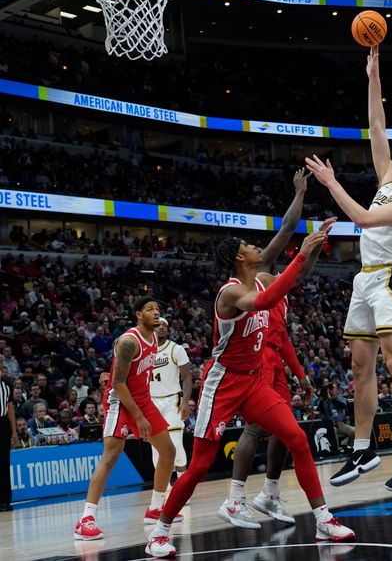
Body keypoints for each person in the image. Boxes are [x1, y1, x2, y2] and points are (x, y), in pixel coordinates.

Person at [144, 224, 353, 559]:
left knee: (296, 438)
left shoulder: (261, 280)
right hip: (223, 383)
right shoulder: (229, 293)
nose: (259, 248)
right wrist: (301, 252)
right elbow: (267, 300)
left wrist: (313, 247)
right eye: (250, 245)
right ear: (240, 257)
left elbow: (292, 281)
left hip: (253, 380)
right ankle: (160, 531)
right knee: (199, 466)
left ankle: (322, 519)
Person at [305, 45, 392, 492]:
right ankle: (364, 449)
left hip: (391, 278)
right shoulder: (385, 182)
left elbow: (362, 219)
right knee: (360, 368)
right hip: (364, 278)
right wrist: (373, 74)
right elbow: (377, 125)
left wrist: (333, 182)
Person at [220, 170, 324, 528]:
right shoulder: (258, 280)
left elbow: (302, 271)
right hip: (254, 362)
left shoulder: (281, 290)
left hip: (276, 360)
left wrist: (315, 245)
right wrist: (299, 194)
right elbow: (284, 231)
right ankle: (235, 497)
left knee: (286, 431)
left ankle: (270, 492)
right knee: (254, 430)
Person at [74, 296, 179, 541]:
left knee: (168, 451)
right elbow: (118, 383)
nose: (156, 313)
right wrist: (139, 417)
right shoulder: (129, 342)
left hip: (142, 399)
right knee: (111, 456)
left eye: (158, 309)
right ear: (137, 315)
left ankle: (154, 508)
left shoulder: (154, 338)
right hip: (120, 402)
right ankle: (85, 519)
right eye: (150, 309)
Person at [150, 317, 193, 480]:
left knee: (175, 443)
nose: (161, 328)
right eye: (158, 325)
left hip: (172, 401)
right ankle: (164, 487)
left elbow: (187, 377)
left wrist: (185, 402)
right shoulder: (144, 351)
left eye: (164, 326)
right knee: (156, 448)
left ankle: (182, 484)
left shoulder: (175, 349)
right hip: (151, 403)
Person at [1, 378, 14, 511]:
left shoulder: (6, 385)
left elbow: (10, 408)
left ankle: (6, 500)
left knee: (4, 463)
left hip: (3, 423)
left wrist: (14, 431)